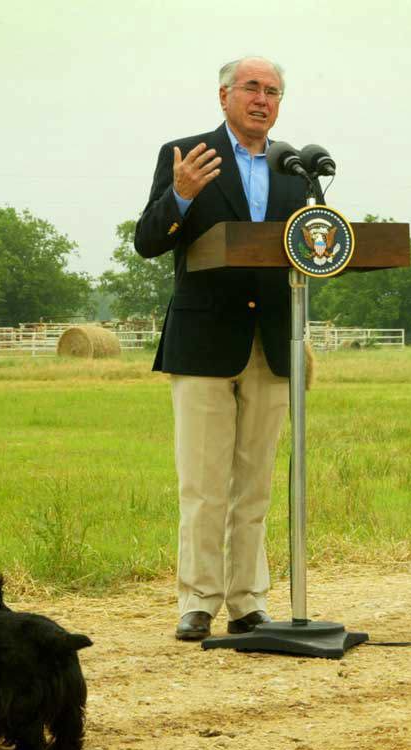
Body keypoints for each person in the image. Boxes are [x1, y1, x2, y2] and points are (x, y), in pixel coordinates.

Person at [133, 56, 308, 641]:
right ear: (224, 95)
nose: (263, 99)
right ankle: (198, 602)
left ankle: (248, 601)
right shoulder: (186, 154)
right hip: (205, 340)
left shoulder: (295, 168)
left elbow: (309, 248)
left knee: (254, 483)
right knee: (204, 484)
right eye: (252, 88)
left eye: (274, 92)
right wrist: (180, 197)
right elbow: (148, 241)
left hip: (272, 344)